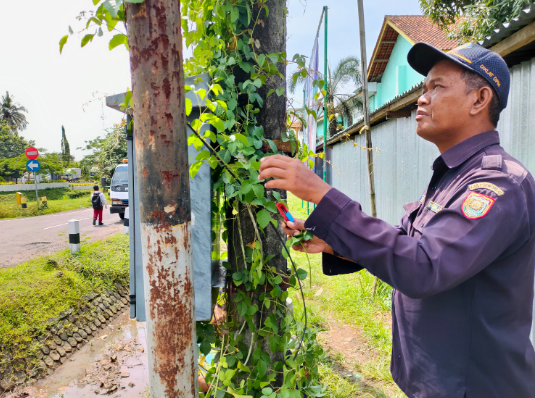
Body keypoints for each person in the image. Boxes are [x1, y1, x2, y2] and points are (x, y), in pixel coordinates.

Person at [258, 42, 535, 398]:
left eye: (437, 87)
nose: (422, 98)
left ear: (479, 100)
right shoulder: (453, 174)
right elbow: (408, 244)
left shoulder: (497, 183)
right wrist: (335, 242)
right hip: (437, 383)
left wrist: (322, 195)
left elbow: (424, 266)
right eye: (423, 88)